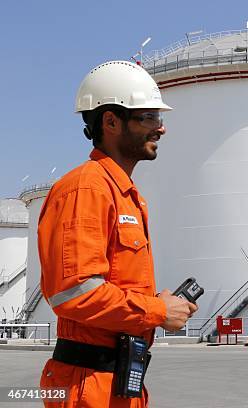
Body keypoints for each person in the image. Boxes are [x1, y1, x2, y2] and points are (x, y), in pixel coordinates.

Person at [38, 60, 197, 407]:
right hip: (87, 386)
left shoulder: (123, 193)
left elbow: (109, 286)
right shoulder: (86, 189)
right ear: (111, 121)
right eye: (149, 118)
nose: (161, 128)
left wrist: (158, 303)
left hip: (118, 381)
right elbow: (72, 294)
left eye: (160, 118)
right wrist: (156, 311)